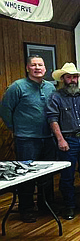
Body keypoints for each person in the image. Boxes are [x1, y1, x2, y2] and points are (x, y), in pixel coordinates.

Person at [1, 55, 57, 223]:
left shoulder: (50, 88)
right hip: (26, 139)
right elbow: (5, 110)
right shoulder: (17, 87)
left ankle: (45, 205)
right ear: (27, 68)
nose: (37, 68)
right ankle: (26, 208)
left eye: (40, 65)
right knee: (26, 174)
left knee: (47, 173)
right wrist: (15, 128)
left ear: (46, 69)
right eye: (34, 65)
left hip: (48, 137)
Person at [47, 63, 80, 220]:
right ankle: (69, 206)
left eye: (75, 77)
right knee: (67, 176)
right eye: (69, 77)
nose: (73, 80)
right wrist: (60, 139)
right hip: (67, 139)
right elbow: (53, 120)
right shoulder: (55, 97)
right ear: (63, 78)